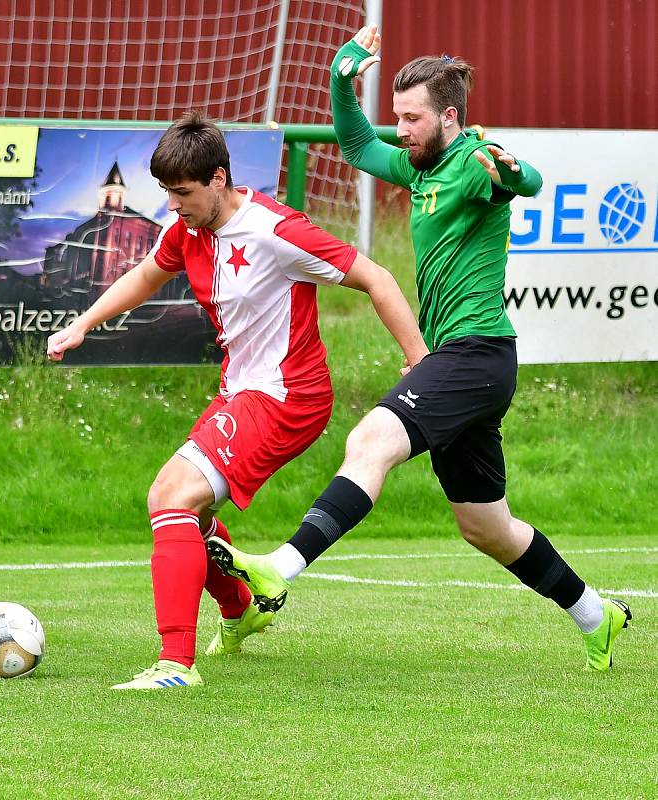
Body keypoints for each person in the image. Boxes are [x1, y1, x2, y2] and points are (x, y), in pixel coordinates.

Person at [208, 27, 631, 671]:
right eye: (397, 116)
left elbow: (527, 180)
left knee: (370, 442)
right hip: (470, 364)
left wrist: (515, 173)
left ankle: (278, 570)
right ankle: (598, 617)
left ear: (450, 116)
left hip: (474, 353)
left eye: (412, 118)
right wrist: (340, 80)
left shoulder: (473, 159)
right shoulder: (417, 163)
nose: (400, 129)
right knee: (486, 527)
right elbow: (353, 143)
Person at [46, 111, 428, 689]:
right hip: (244, 391)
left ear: (219, 179)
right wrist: (84, 324)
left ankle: (175, 666)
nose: (173, 205)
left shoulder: (276, 230)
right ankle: (241, 605)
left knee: (168, 495)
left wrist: (417, 361)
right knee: (191, 513)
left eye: (183, 193)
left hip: (286, 396)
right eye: (167, 193)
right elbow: (147, 276)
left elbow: (379, 278)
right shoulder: (189, 230)